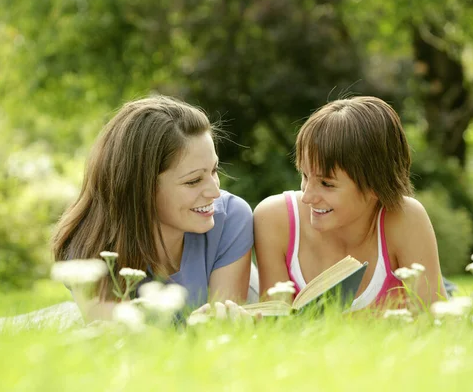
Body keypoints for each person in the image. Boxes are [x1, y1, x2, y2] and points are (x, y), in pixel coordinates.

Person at [52, 95, 253, 320]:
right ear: (140, 187)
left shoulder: (231, 219)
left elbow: (223, 333)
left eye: (214, 170)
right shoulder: (90, 245)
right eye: (193, 181)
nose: (215, 192)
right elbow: (119, 343)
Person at [254, 96, 447, 311]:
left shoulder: (404, 218)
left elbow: (435, 321)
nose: (307, 197)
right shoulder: (274, 220)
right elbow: (273, 328)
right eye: (305, 176)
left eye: (327, 183)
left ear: (376, 184)